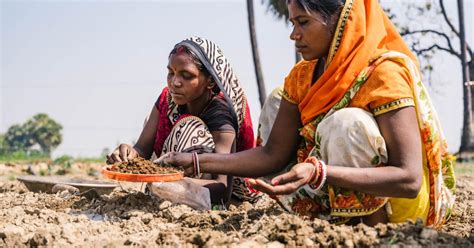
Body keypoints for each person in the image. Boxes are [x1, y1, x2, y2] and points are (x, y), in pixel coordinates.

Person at [158, 0, 456, 228]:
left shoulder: (383, 74)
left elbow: (408, 179)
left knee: (345, 124)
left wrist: (319, 172)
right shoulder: (304, 76)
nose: (293, 34)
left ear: (341, 20)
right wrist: (196, 161)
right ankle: (330, 222)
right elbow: (272, 154)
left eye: (303, 22)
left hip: (396, 211)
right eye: (292, 22)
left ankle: (367, 229)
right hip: (324, 188)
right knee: (277, 100)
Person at [106, 36, 257, 205]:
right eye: (171, 72)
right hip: (165, 184)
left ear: (210, 81)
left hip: (211, 195)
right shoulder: (167, 99)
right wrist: (128, 153)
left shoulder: (220, 114)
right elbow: (142, 148)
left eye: (186, 75)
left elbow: (222, 188)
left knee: (190, 128)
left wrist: (173, 183)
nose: (175, 82)